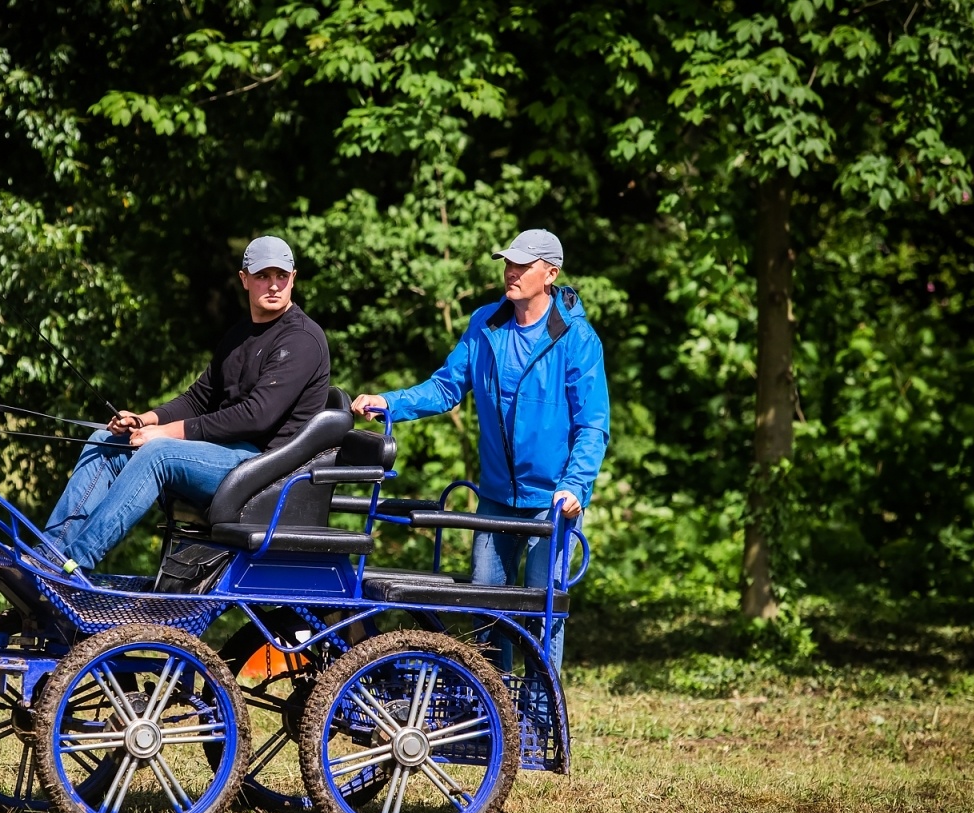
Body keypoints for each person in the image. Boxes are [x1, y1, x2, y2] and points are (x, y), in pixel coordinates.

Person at [351, 227, 609, 604]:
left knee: (542, 614)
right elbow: (446, 387)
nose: (511, 271)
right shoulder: (485, 324)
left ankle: (540, 651)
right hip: (495, 496)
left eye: (523, 265)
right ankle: (492, 650)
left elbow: (592, 426)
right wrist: (390, 403)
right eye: (508, 263)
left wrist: (575, 486)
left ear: (551, 274)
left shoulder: (578, 339)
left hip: (553, 501)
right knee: (485, 611)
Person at [44, 236, 331, 573]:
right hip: (228, 453)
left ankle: (74, 566)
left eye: (281, 276)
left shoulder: (301, 339)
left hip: (265, 467)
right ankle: (48, 555)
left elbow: (257, 416)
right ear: (244, 279)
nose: (273, 285)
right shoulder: (240, 335)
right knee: (106, 442)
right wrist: (144, 420)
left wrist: (166, 433)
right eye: (262, 276)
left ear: (293, 278)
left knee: (159, 453)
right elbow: (199, 398)